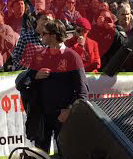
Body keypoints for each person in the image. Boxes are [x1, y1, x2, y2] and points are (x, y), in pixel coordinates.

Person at [22, 19, 87, 152]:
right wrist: (35, 76)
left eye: (44, 33)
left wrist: (69, 110)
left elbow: (82, 91)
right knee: (40, 158)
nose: (40, 36)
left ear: (53, 35)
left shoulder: (72, 57)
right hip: (42, 115)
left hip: (63, 115)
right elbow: (25, 80)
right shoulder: (39, 55)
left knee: (67, 156)